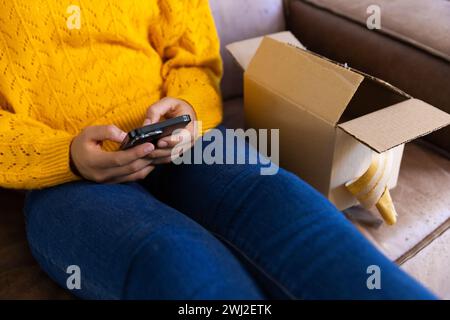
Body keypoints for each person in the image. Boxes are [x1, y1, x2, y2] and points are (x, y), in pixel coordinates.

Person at [0, 0, 435, 299]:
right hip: (64, 176)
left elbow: (194, 59)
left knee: (290, 211)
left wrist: (188, 111)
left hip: (179, 139)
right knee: (174, 257)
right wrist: (66, 156)